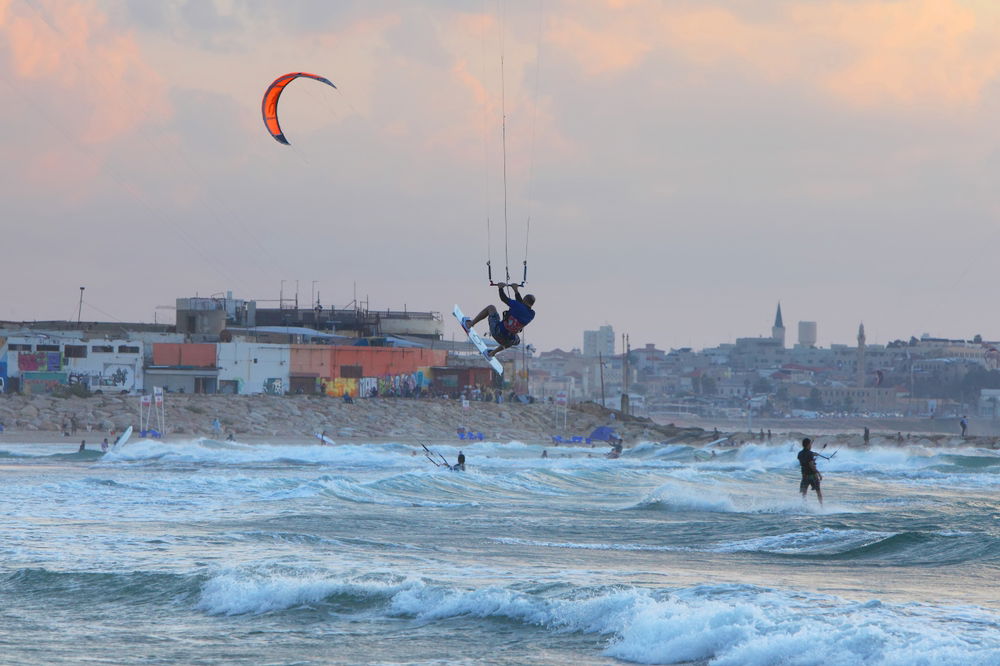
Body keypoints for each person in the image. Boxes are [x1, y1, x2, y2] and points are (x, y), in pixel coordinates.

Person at [462, 282, 536, 358]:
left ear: (524, 300)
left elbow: (504, 298)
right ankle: (492, 353)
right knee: (516, 340)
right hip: (507, 341)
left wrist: (500, 288)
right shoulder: (532, 314)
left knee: (491, 308)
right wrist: (515, 291)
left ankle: (470, 324)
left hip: (497, 332)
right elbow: (521, 305)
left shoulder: (517, 306)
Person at [797, 437, 823, 505]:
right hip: (812, 475)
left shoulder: (799, 453)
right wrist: (819, 473)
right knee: (818, 492)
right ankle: (821, 507)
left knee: (804, 493)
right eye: (810, 445)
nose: (811, 446)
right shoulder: (810, 453)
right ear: (808, 445)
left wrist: (812, 457)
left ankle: (804, 505)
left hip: (804, 475)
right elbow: (811, 465)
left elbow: (802, 463)